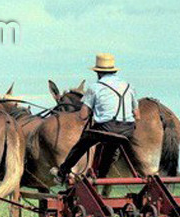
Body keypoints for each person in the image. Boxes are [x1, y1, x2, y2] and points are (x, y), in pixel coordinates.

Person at [53, 53, 139, 182]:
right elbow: (137, 115)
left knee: (82, 144)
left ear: (98, 72)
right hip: (128, 129)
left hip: (106, 128)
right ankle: (101, 177)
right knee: (111, 146)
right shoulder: (128, 86)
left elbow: (83, 116)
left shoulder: (95, 88)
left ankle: (62, 172)